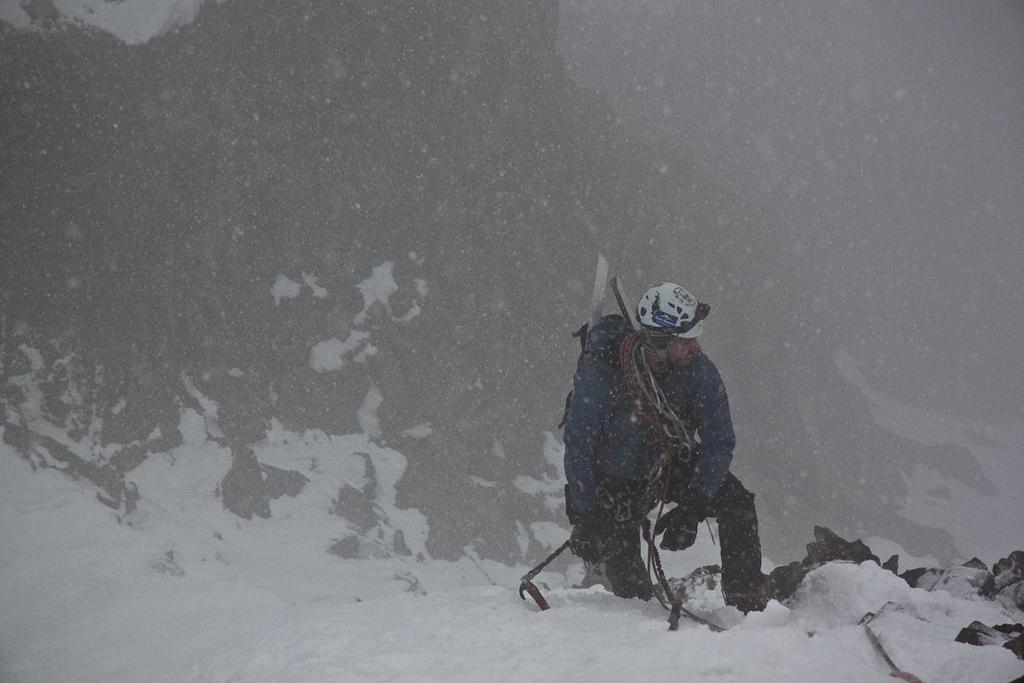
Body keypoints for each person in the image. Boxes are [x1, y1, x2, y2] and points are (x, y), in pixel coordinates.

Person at [563, 281, 769, 612]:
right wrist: (585, 512)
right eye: (686, 342)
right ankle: (635, 609)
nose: (696, 348)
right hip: (616, 483)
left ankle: (747, 603)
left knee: (737, 503)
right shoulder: (603, 372)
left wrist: (695, 502)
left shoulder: (699, 372)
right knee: (630, 589)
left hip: (670, 463)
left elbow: (719, 441)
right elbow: (579, 445)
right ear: (660, 342)